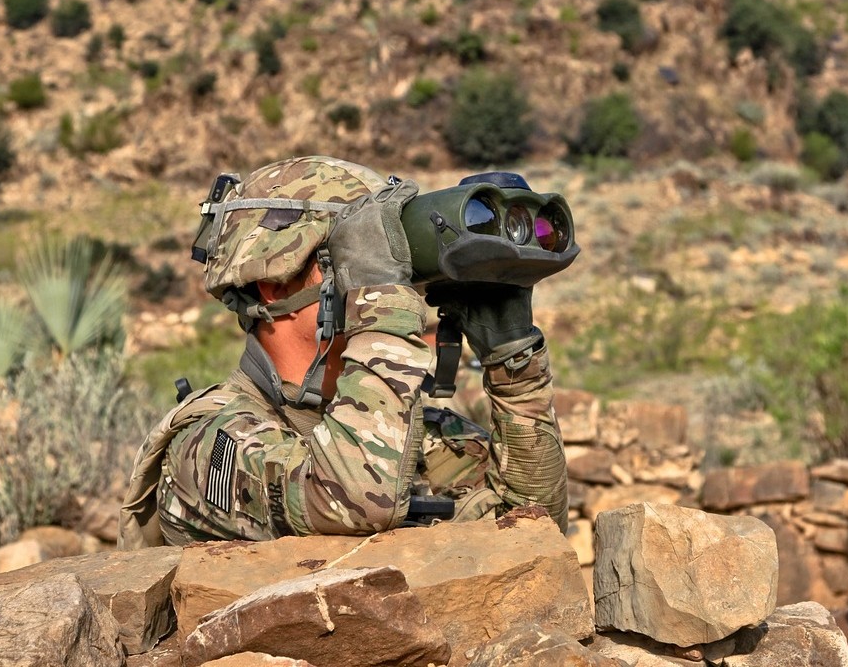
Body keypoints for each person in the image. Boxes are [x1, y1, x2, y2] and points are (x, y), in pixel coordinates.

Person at [119, 156, 567, 548]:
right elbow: (351, 500)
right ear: (274, 284)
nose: (388, 278)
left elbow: (537, 537)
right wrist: (381, 305)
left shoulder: (429, 435)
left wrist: (514, 367)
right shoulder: (208, 442)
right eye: (354, 257)